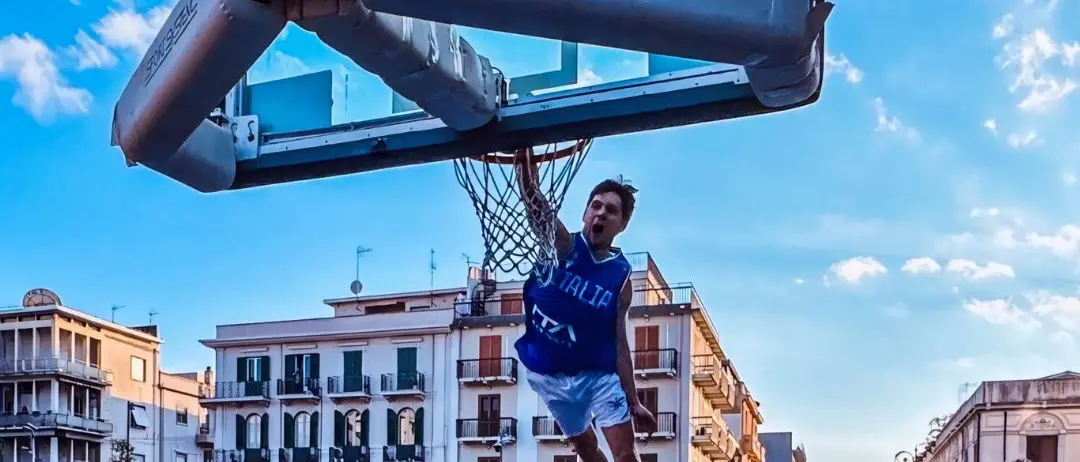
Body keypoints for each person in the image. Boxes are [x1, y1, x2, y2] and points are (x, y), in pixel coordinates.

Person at [512, 150, 655, 462]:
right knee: (588, 451)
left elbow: (618, 341)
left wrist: (633, 401)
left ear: (623, 223)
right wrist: (525, 167)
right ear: (585, 213)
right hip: (550, 374)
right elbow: (536, 207)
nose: (601, 214)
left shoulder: (620, 277)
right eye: (596, 206)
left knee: (625, 455)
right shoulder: (564, 246)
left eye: (611, 210)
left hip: (597, 375)